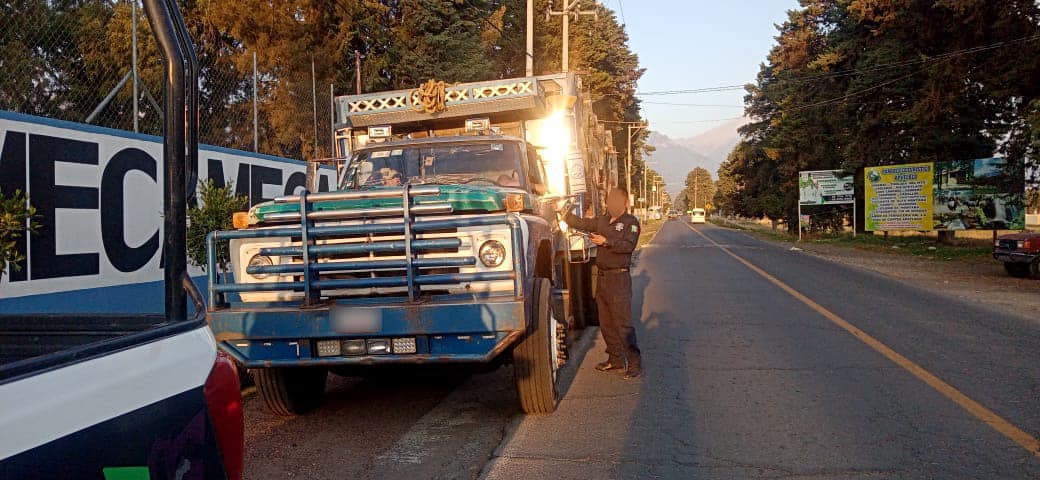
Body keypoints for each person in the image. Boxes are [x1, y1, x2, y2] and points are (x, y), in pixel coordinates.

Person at [560, 187, 642, 379]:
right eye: (609, 200)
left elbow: (628, 246)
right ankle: (614, 360)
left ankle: (634, 362)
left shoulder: (631, 223)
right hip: (603, 278)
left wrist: (606, 242)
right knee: (605, 323)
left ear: (624, 203)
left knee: (622, 323)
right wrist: (565, 215)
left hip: (619, 279)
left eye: (616, 201)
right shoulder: (603, 221)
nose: (611, 204)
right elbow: (583, 223)